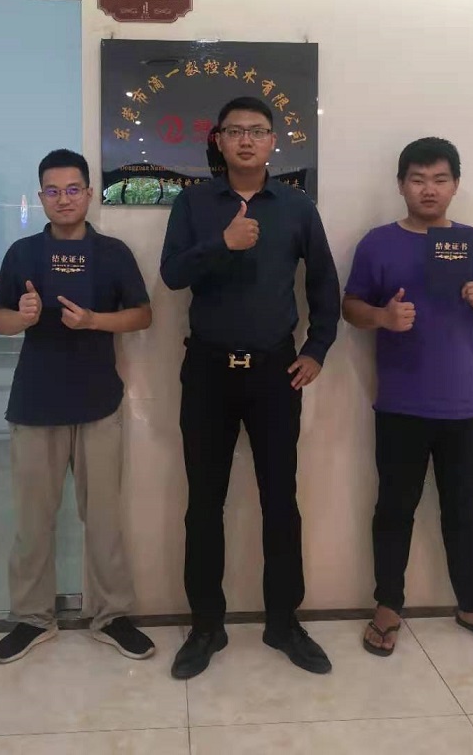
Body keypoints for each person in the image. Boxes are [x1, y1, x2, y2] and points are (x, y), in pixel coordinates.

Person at [161, 96, 341, 679]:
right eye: (235, 131)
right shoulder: (193, 202)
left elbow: (324, 284)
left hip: (274, 371)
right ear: (217, 139)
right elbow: (172, 274)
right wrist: (224, 243)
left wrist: (316, 349)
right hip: (208, 371)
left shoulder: (296, 206)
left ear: (272, 142)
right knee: (203, 502)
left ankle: (283, 622)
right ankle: (206, 626)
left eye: (257, 131)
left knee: (280, 498)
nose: (245, 140)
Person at [342, 137, 473, 656]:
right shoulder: (378, 243)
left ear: (455, 185)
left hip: (466, 405)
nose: (429, 189)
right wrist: (382, 317)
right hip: (401, 404)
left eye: (440, 179)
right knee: (393, 509)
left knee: (465, 511)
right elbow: (351, 306)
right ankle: (387, 606)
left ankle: (472, 605)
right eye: (418, 179)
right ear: (401, 184)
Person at [0, 148, 155, 664]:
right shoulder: (22, 254)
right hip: (34, 404)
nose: (63, 199)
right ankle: (32, 618)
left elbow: (142, 315)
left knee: (103, 519)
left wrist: (93, 322)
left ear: (88, 193)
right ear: (41, 197)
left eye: (73, 189)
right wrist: (23, 316)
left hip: (98, 403)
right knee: (33, 522)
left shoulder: (113, 253)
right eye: (53, 191)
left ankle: (111, 615)